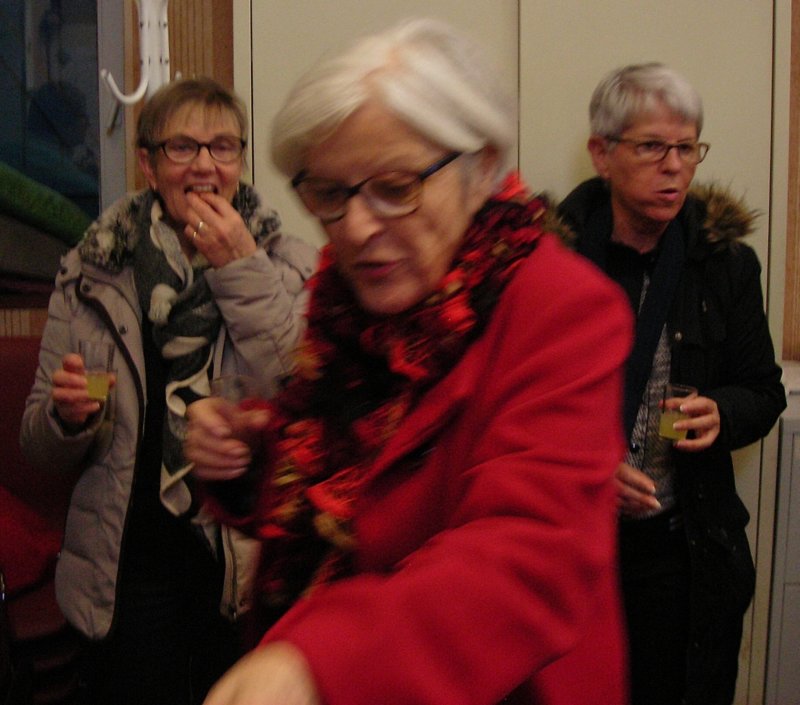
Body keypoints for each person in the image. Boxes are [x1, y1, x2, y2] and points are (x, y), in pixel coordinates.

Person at [184, 19, 633, 705]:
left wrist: (317, 662)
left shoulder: (561, 305)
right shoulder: (347, 296)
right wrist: (254, 457)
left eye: (396, 187)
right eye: (328, 194)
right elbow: (351, 475)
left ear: (481, 167)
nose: (356, 228)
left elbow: (527, 552)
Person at [20, 76, 318, 705]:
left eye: (223, 147)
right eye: (183, 147)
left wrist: (241, 267)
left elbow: (301, 392)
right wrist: (66, 419)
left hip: (241, 564)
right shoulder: (92, 270)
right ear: (148, 165)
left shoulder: (289, 266)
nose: (205, 165)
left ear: (240, 162)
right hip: (126, 567)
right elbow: (38, 449)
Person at [557, 63, 786, 705]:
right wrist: (583, 470)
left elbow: (764, 391)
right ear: (602, 153)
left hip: (684, 553)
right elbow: (503, 415)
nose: (675, 167)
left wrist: (722, 411)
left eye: (688, 148)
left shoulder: (726, 264)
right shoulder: (549, 265)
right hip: (571, 548)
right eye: (653, 147)